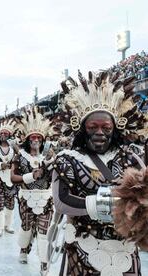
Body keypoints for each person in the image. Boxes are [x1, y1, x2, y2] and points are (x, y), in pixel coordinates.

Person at [52, 71, 146, 275]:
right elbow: (61, 201)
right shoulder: (67, 159)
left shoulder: (131, 157)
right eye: (93, 127)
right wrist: (107, 204)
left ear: (115, 128)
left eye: (106, 127)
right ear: (82, 129)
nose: (100, 132)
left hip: (125, 250)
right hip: (84, 247)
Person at [11, 106, 55, 275]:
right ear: (28, 139)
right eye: (33, 137)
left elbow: (55, 177)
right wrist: (30, 176)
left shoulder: (50, 156)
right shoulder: (20, 156)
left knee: (44, 232)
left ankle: (44, 263)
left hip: (46, 198)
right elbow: (12, 178)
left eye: (38, 137)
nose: (35, 140)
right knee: (27, 227)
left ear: (42, 140)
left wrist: (52, 167)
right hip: (26, 197)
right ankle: (23, 250)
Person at [0, 120, 18, 237]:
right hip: (0, 178)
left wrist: (14, 164)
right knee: (0, 202)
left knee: (11, 202)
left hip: (11, 177)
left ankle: (8, 225)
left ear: (9, 135)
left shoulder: (13, 147)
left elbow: (20, 157)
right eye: (1, 134)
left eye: (5, 134)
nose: (2, 136)